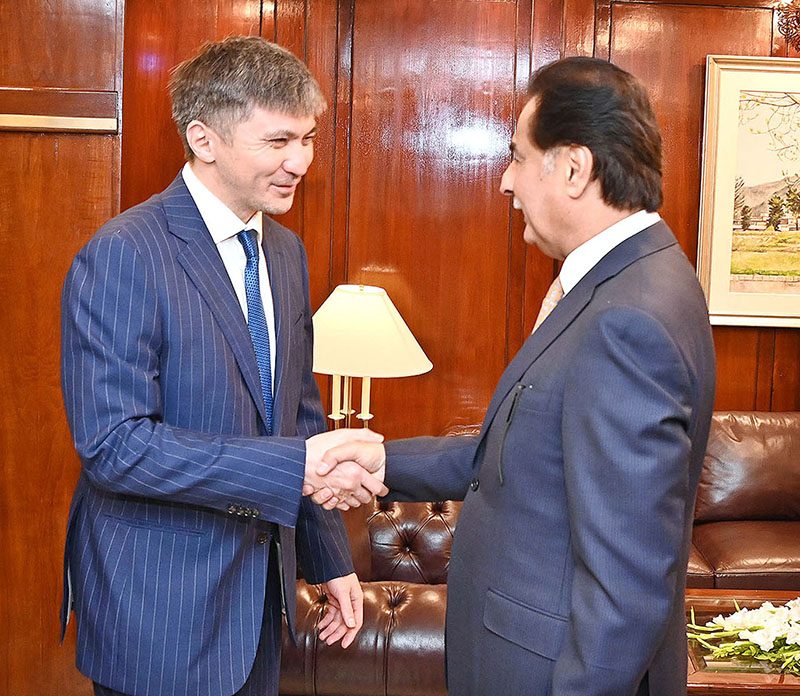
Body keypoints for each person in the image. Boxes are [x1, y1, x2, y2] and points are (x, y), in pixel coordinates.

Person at [309, 57, 716, 695]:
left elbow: (627, 586)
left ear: (575, 170)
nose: (506, 181)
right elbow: (523, 451)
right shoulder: (631, 279)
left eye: (520, 157)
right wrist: (382, 457)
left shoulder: (626, 319)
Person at [60, 36, 386, 696]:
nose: (302, 161)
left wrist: (329, 558)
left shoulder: (286, 253)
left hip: (258, 604)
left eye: (309, 138)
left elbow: (298, 415)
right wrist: (295, 467)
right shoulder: (124, 253)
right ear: (204, 139)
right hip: (159, 608)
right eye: (279, 141)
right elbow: (114, 447)